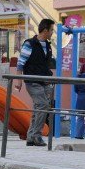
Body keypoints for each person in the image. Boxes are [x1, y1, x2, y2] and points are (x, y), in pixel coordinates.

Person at [14, 18, 56, 146]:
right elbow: (21, 62)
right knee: (42, 105)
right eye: (51, 30)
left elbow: (46, 65)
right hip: (33, 81)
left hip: (45, 81)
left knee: (39, 107)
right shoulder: (30, 44)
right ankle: (37, 135)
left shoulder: (48, 46)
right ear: (45, 30)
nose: (52, 33)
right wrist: (18, 79)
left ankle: (31, 137)